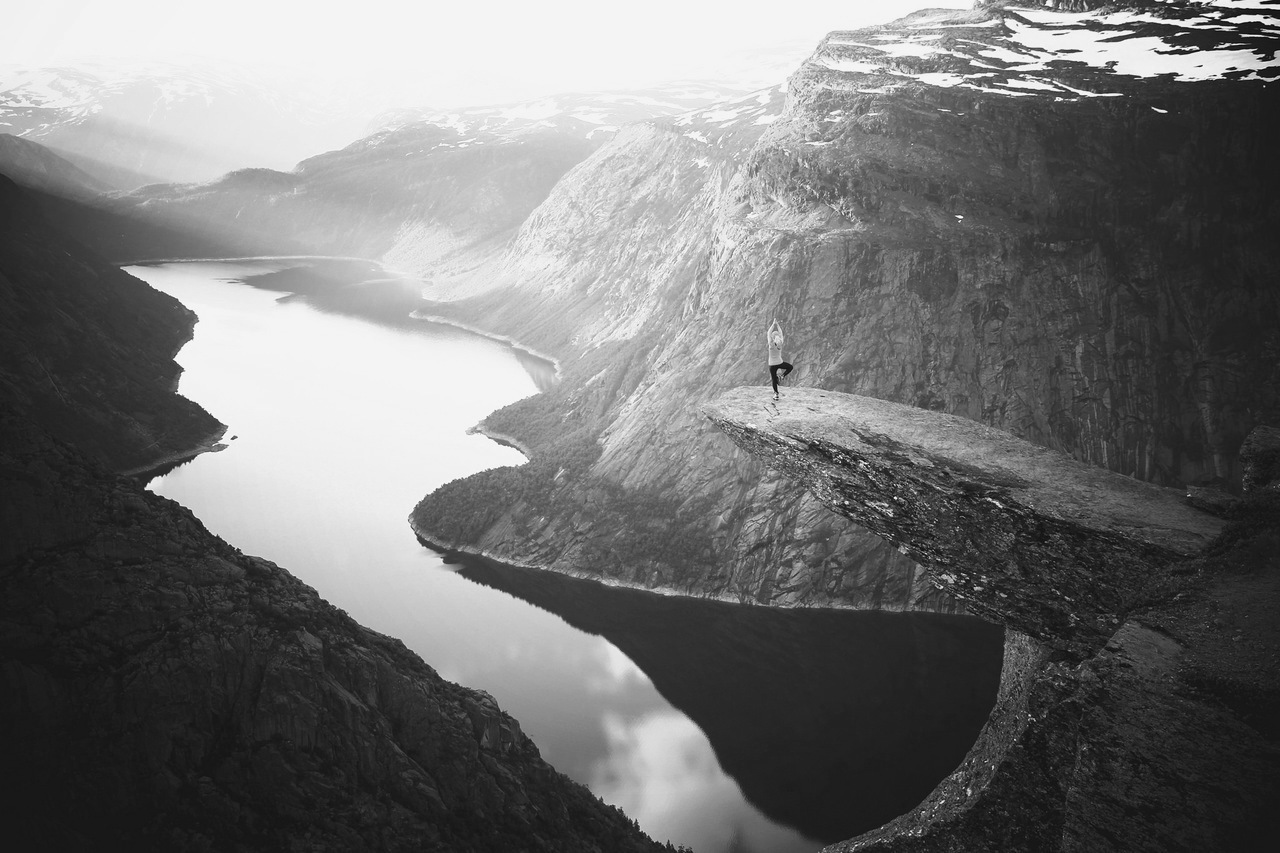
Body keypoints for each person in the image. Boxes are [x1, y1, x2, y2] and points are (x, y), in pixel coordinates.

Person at [767, 318, 792, 401]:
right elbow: (781, 333)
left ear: (772, 337)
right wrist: (777, 325)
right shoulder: (780, 343)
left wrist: (773, 324)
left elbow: (768, 333)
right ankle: (782, 376)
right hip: (779, 362)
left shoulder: (771, 344)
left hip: (772, 364)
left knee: (774, 379)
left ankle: (776, 394)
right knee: (790, 367)